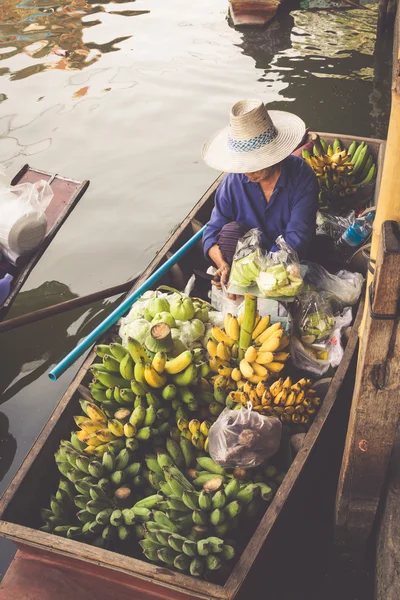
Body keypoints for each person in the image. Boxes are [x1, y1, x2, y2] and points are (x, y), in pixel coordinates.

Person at [202, 99, 318, 290]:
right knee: (230, 233)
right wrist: (223, 265)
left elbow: (297, 237)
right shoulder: (233, 182)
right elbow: (211, 232)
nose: (247, 171)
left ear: (273, 154)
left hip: (289, 266)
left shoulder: (302, 177)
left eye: (254, 163)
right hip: (247, 263)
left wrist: (262, 276)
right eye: (243, 164)